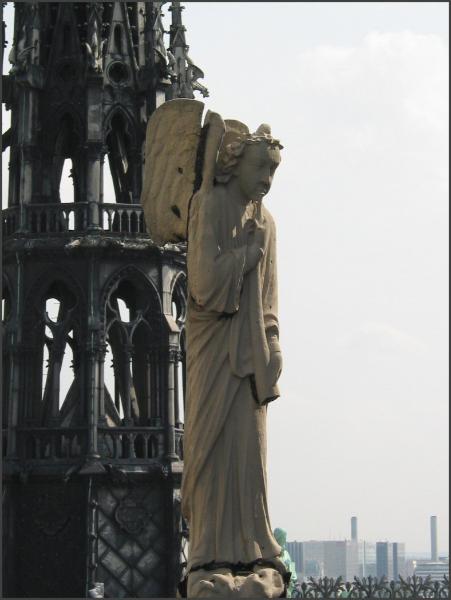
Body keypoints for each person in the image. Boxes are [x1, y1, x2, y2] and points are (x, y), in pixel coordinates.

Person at [182, 119, 285, 595]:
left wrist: (274, 341)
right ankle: (208, 555)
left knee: (249, 456)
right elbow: (204, 286)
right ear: (236, 161)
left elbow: (268, 300)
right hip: (214, 352)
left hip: (251, 359)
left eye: (273, 171)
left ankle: (253, 552)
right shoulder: (209, 204)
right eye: (261, 167)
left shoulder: (268, 222)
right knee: (212, 450)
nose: (267, 179)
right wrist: (247, 254)